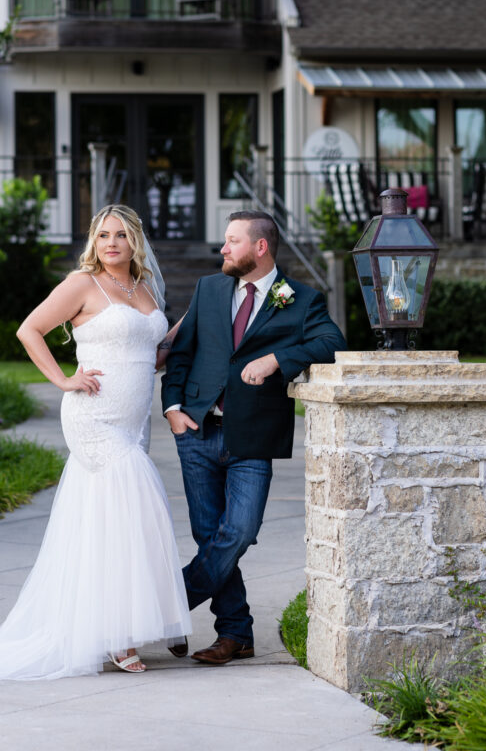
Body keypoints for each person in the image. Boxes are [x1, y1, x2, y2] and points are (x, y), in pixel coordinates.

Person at [0, 204, 191, 679]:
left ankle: (118, 625)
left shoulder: (145, 287)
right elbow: (29, 330)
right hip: (93, 418)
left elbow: (149, 353)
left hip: (132, 422)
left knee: (117, 520)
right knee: (130, 506)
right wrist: (64, 380)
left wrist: (182, 332)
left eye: (121, 236)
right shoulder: (81, 284)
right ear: (94, 240)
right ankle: (115, 636)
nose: (111, 243)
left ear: (135, 242)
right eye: (103, 234)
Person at [161, 210, 346, 665]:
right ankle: (236, 635)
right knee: (210, 536)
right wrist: (172, 410)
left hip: (252, 438)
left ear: (260, 248)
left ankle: (165, 607)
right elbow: (181, 354)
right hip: (198, 429)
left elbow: (331, 342)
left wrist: (277, 360)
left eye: (231, 241)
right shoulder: (209, 289)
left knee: (239, 532)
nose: (223, 249)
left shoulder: (300, 299)